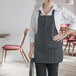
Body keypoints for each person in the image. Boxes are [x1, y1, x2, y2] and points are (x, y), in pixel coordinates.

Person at [29, 0, 76, 76]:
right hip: (40, 49)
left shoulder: (60, 10)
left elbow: (75, 19)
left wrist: (65, 34)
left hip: (54, 50)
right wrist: (31, 50)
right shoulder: (36, 11)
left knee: (53, 74)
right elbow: (32, 31)